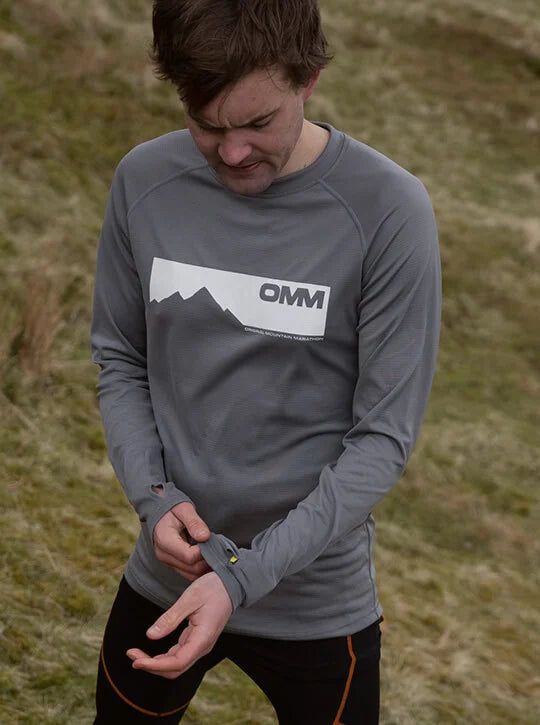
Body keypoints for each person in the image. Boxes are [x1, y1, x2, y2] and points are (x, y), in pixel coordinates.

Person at [90, 1, 441, 723]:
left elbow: (382, 438)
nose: (232, 153)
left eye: (258, 123)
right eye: (207, 126)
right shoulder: (144, 180)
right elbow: (120, 357)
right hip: (168, 576)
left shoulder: (389, 210)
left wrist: (242, 576)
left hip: (315, 603)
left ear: (308, 79)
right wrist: (153, 498)